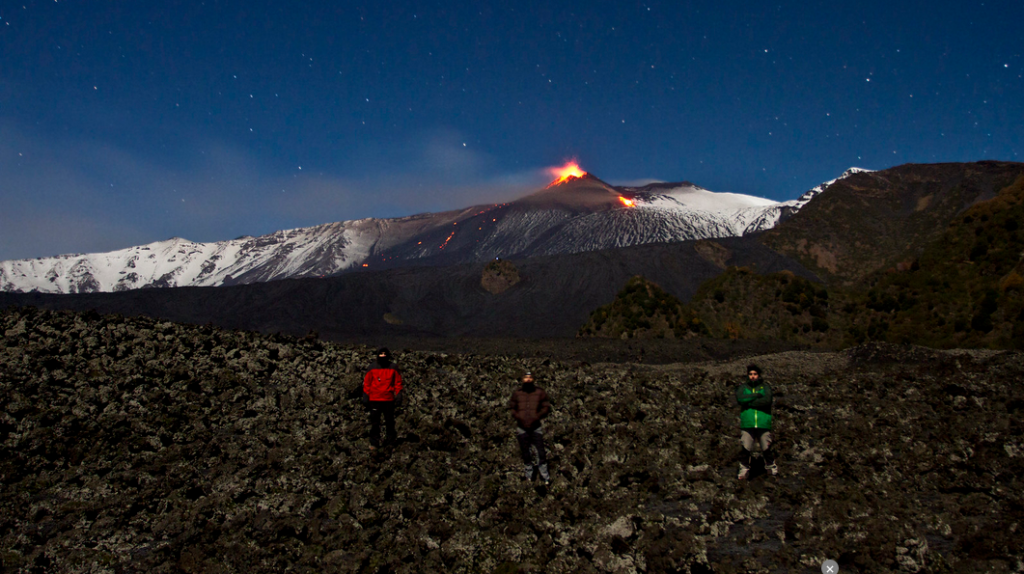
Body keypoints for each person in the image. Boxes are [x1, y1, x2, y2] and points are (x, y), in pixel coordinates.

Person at [509, 371, 552, 484]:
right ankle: (529, 476)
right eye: (525, 377)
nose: (528, 380)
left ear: (533, 379)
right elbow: (512, 407)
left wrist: (536, 417)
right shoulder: (517, 393)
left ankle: (545, 477)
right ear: (522, 379)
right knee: (525, 452)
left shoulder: (539, 392)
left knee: (540, 452)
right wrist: (519, 417)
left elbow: (546, 406)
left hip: (535, 427)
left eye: (530, 377)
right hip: (522, 427)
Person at [735, 363, 777, 479]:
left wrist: (749, 402)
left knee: (766, 447)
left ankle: (771, 467)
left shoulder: (765, 387)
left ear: (758, 375)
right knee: (745, 448)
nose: (752, 376)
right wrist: (757, 395)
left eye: (755, 374)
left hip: (763, 422)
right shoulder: (743, 387)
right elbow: (740, 399)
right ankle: (743, 469)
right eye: (750, 374)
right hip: (748, 423)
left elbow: (767, 400)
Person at [363, 348, 403, 450]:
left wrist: (398, 395)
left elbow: (398, 383)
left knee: (389, 422)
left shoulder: (393, 367)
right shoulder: (372, 368)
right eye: (381, 353)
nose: (383, 355)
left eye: (385, 353)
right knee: (375, 422)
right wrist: (365, 396)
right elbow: (367, 383)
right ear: (378, 355)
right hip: (375, 399)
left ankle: (390, 442)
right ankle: (374, 443)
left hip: (388, 400)